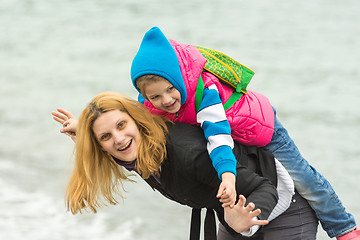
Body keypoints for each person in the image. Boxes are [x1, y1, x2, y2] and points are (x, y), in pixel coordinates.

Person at [130, 26, 359, 239]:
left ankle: (344, 228)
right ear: (144, 95)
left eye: (171, 89)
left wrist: (228, 176)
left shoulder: (205, 91)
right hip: (236, 137)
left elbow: (218, 139)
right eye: (156, 97)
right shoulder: (148, 105)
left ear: (178, 77)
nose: (167, 100)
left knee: (304, 179)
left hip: (260, 128)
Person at [52, 92, 318, 239]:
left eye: (121, 126)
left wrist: (243, 222)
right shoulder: (137, 151)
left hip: (284, 212)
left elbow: (263, 186)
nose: (119, 139)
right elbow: (118, 151)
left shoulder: (189, 155)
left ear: (137, 121)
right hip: (232, 216)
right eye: (106, 137)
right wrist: (85, 133)